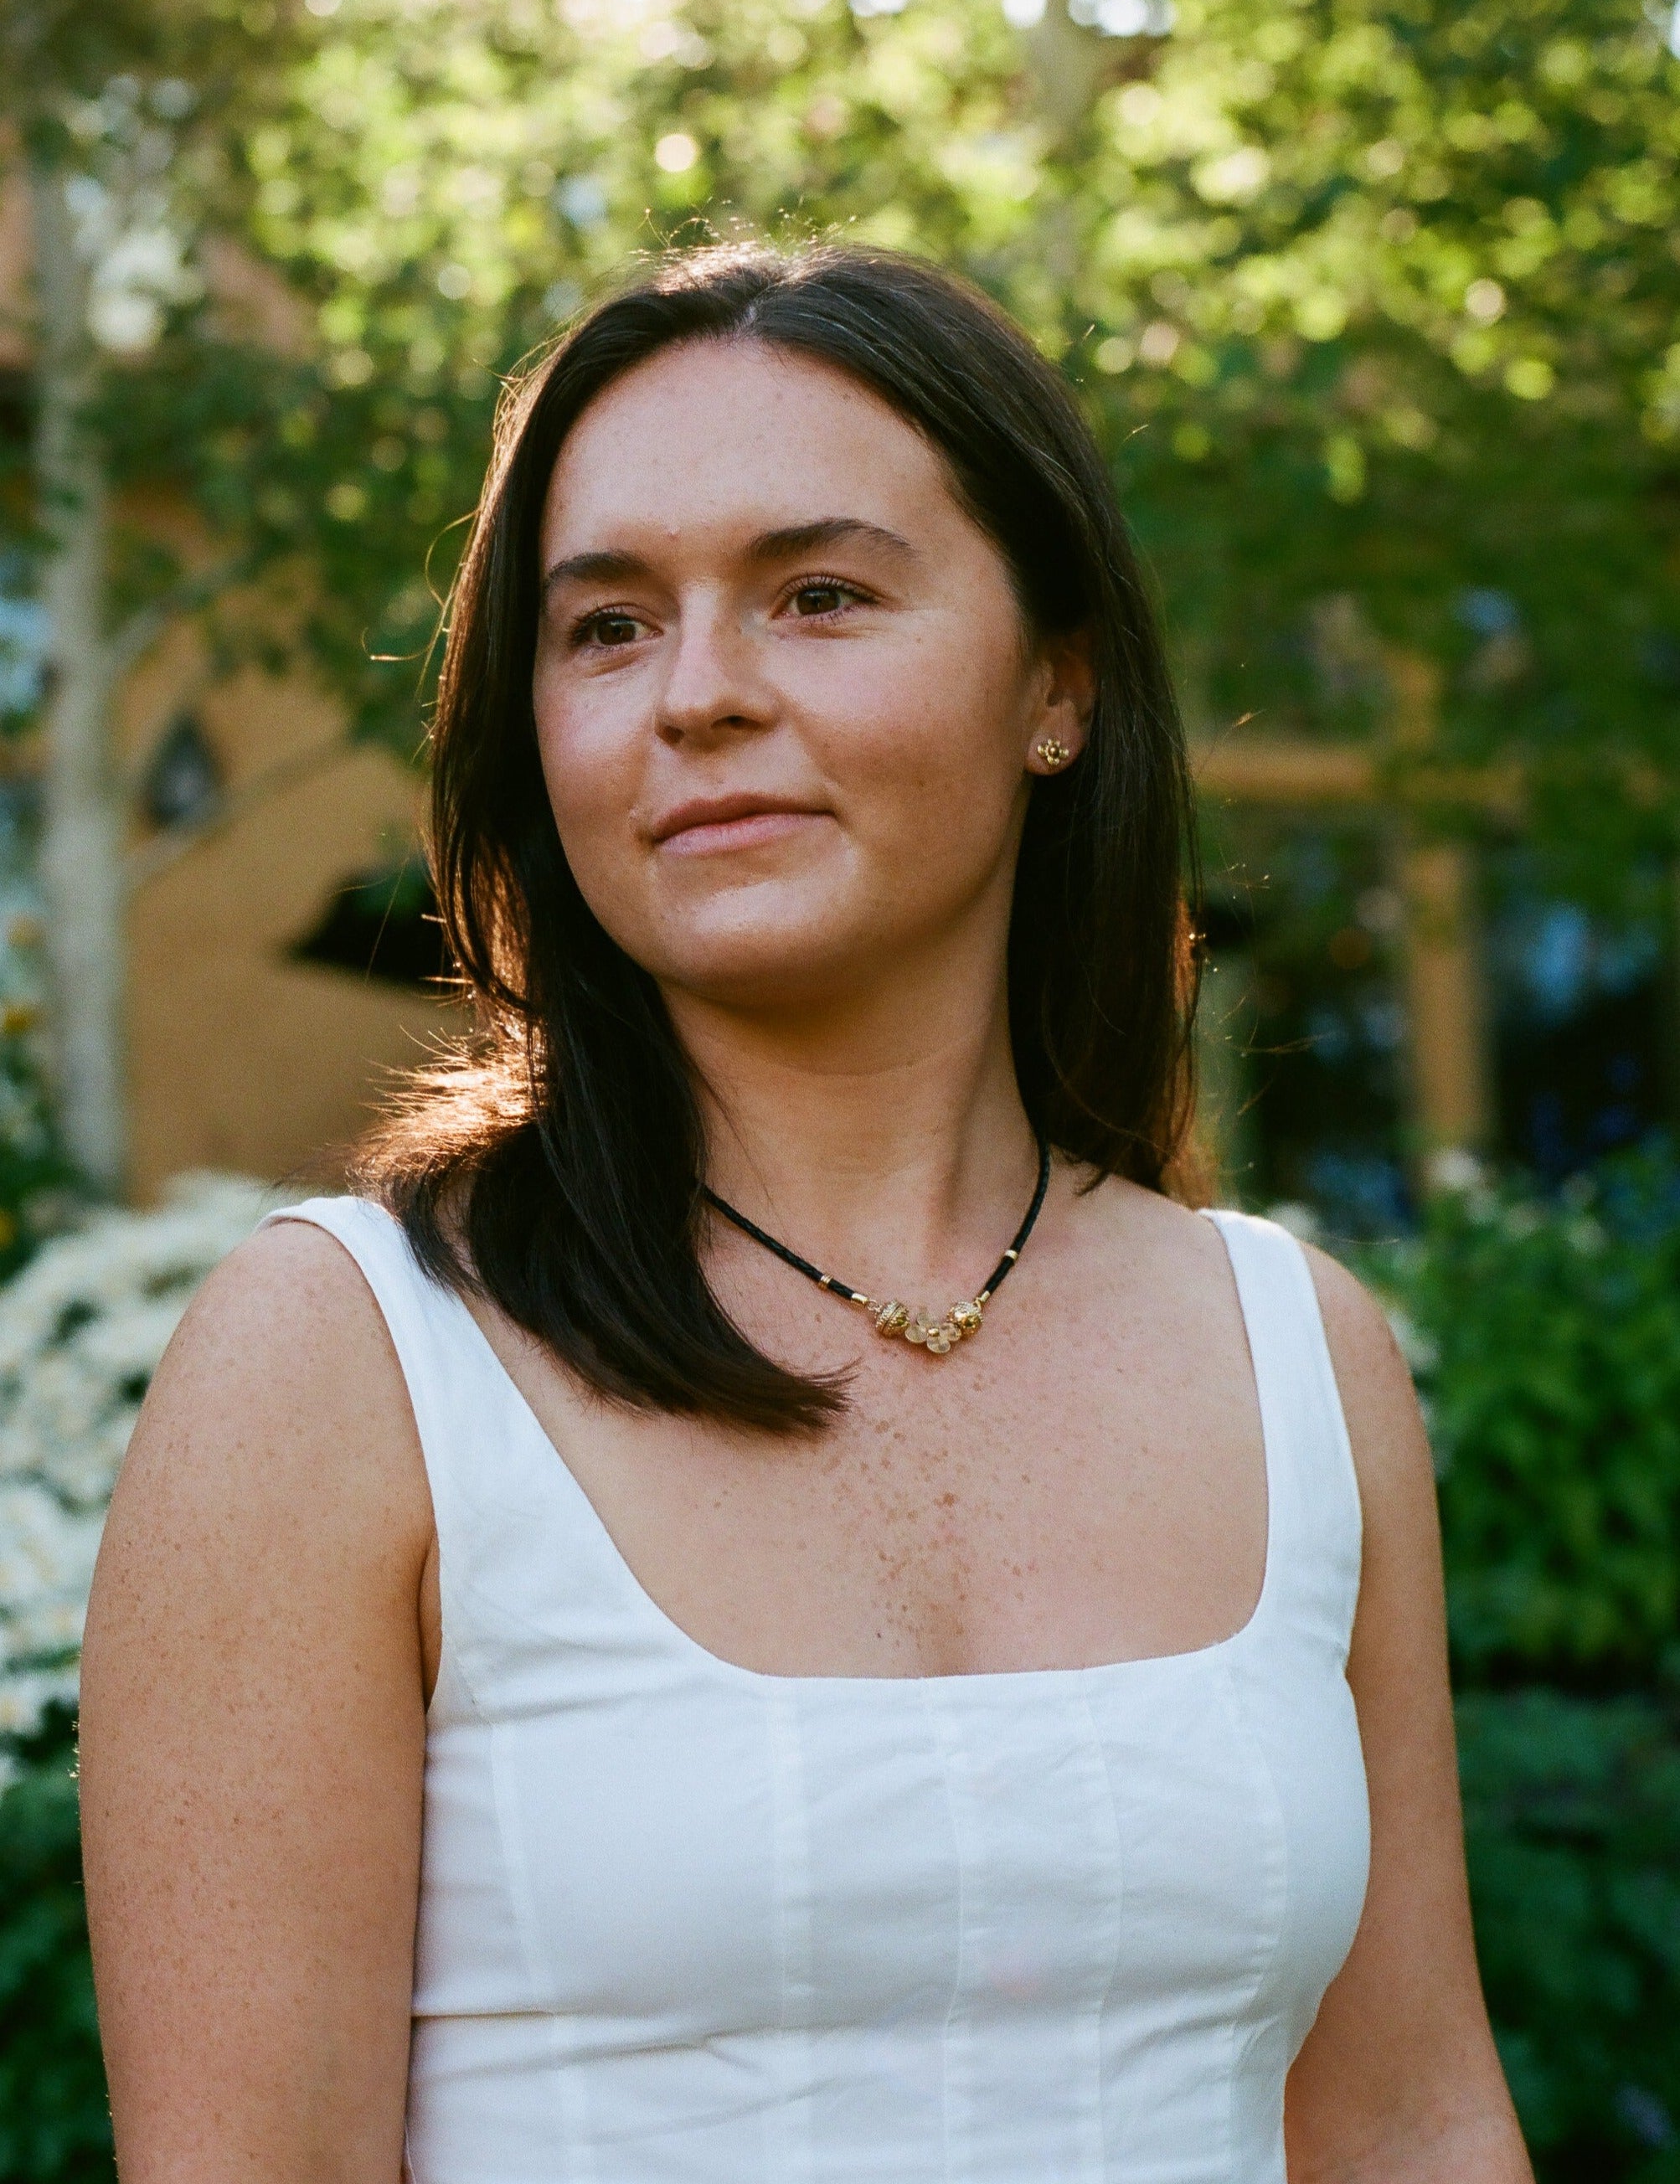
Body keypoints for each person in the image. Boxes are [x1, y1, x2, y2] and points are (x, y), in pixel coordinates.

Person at [79, 240, 1531, 2184]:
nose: (696, 697)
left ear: (1058, 690)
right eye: (604, 628)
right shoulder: (346, 1367)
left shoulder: (1299, 1353)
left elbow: (1411, 2116)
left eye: (818, 595)